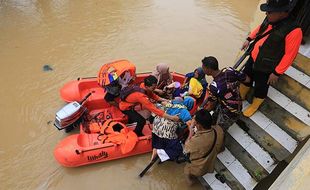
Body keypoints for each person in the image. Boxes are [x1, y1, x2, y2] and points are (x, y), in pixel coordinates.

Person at [240, 0, 302, 117]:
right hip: (253, 58)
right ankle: (241, 94)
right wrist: (249, 39)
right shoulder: (271, 19)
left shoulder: (294, 31)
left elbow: (290, 55)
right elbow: (261, 28)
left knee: (260, 87)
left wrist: (277, 72)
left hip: (266, 67)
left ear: (282, 12)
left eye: (269, 12)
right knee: (245, 76)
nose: (266, 14)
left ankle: (254, 105)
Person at [201, 56, 249, 131]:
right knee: (215, 115)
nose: (203, 70)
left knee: (220, 129)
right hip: (238, 103)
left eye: (203, 68)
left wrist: (200, 114)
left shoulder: (214, 87)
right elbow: (247, 80)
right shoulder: (229, 70)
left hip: (230, 111)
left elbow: (211, 105)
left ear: (209, 69)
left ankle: (219, 136)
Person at [184, 109, 224, 185]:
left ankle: (190, 184)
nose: (194, 122)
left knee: (186, 171)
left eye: (194, 121)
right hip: (212, 158)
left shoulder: (195, 141)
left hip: (201, 166)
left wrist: (191, 131)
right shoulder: (219, 129)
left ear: (198, 125)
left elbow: (186, 149)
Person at [151, 97, 194, 162]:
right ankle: (157, 152)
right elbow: (191, 126)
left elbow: (155, 107)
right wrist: (189, 138)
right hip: (166, 130)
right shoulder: (184, 111)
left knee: (161, 143)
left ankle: (157, 149)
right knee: (178, 150)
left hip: (155, 127)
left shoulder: (167, 103)